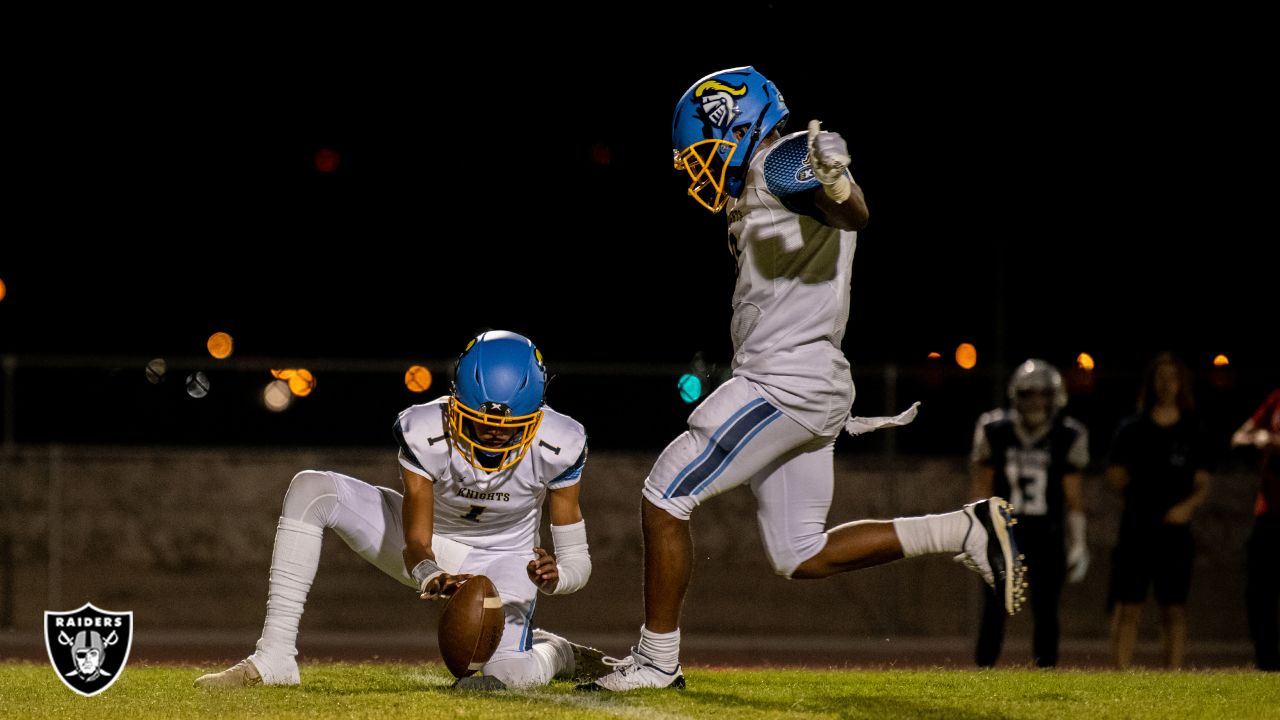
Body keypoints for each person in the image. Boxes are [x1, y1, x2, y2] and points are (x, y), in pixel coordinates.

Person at [580, 66, 1027, 692]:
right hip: (808, 381)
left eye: (704, 152)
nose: (700, 171)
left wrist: (837, 184)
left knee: (664, 494)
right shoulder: (768, 176)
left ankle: (657, 661)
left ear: (737, 128)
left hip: (781, 384)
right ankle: (964, 527)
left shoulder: (781, 159)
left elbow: (851, 210)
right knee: (798, 553)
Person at [195, 330, 607, 690]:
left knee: (510, 677)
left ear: (537, 416)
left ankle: (557, 653)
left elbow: (578, 562)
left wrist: (557, 578)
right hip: (433, 544)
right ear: (455, 400)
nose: (493, 436)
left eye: (508, 427)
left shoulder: (561, 441)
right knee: (312, 488)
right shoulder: (425, 428)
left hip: (507, 561)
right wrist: (429, 573)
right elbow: (416, 539)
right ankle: (274, 658)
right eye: (480, 422)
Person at [970, 359, 1089, 668]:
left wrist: (1078, 542)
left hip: (1047, 535)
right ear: (1016, 395)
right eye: (1028, 393)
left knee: (1046, 610)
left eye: (1042, 394)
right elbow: (980, 490)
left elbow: (1073, 497)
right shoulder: (994, 429)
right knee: (994, 609)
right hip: (1002, 532)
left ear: (1054, 397)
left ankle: (1045, 673)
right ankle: (983, 673)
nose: (1035, 400)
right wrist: (973, 533)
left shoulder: (1068, 435)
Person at [1106, 352, 1212, 669]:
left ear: (1181, 383)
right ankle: (1120, 676)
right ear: (1151, 383)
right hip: (1136, 529)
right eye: (1160, 377)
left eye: (1172, 377)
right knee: (1128, 606)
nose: (1166, 384)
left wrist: (1185, 508)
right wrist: (1137, 493)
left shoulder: (1193, 430)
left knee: (1173, 608)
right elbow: (1114, 473)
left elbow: (1203, 482)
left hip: (1175, 533)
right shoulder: (1132, 428)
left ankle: (1172, 676)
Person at [1231, 387, 1280, 671]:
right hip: (1270, 511)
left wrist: (1271, 441)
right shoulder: (1275, 399)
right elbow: (1239, 436)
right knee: (1260, 591)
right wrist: (1257, 440)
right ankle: (1268, 664)